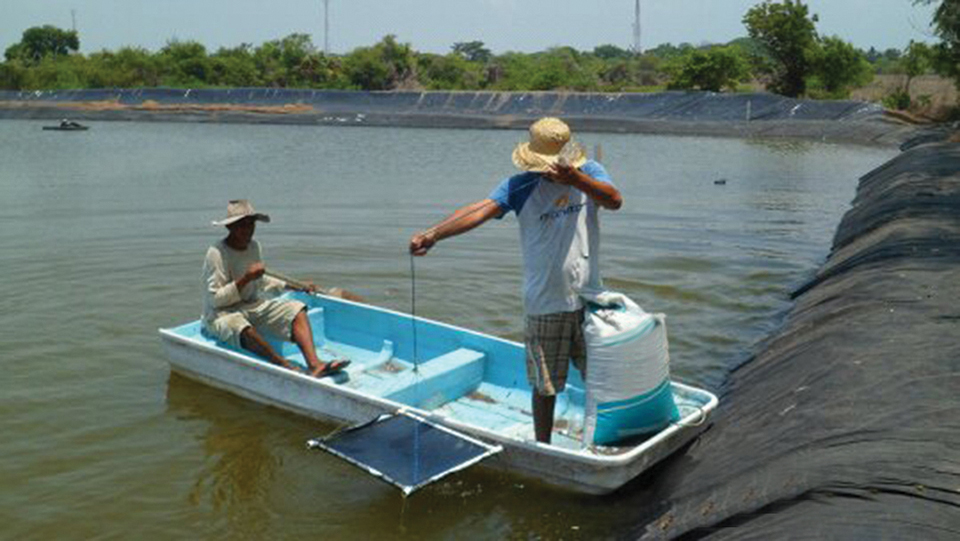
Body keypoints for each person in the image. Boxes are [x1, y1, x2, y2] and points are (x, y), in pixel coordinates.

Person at [409, 117, 622, 443]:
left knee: (601, 376)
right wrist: (433, 235)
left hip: (590, 298)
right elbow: (478, 210)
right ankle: (543, 445)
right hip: (545, 302)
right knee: (545, 385)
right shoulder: (521, 186)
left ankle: (605, 436)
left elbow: (613, 200)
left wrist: (575, 178)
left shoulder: (590, 173)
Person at [202, 199, 350, 378]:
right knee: (239, 325)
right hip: (222, 313)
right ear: (230, 228)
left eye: (251, 225)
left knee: (296, 309)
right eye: (241, 226)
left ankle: (314, 365)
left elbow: (262, 280)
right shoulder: (216, 253)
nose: (247, 230)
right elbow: (215, 300)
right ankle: (282, 364)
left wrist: (297, 285)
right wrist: (245, 279)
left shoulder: (254, 246)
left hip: (250, 305)